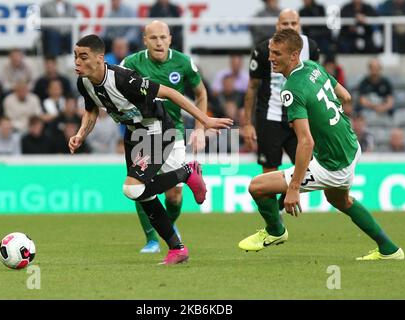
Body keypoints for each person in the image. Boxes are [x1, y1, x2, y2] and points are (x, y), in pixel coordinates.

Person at [238, 29, 404, 261]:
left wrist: (294, 188)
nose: (270, 58)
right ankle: (389, 249)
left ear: (294, 55)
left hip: (331, 164)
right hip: (350, 145)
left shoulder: (291, 90)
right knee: (340, 200)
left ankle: (275, 232)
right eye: (270, 52)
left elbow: (306, 141)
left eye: (277, 53)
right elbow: (345, 96)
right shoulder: (314, 67)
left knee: (256, 186)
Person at [70, 34, 232, 264]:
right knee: (144, 195)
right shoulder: (84, 81)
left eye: (83, 57)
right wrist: (80, 134)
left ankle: (187, 172)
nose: (77, 62)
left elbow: (169, 93)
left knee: (132, 190)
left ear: (99, 58)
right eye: (76, 56)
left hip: (157, 129)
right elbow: (92, 110)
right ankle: (177, 249)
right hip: (134, 135)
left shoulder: (124, 78)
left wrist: (204, 120)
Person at [121, 20, 209, 254]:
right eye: (153, 38)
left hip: (173, 131)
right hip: (141, 133)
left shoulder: (183, 63)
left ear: (170, 39)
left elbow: (201, 93)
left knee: (175, 193)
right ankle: (151, 239)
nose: (159, 42)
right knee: (139, 185)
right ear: (145, 40)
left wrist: (200, 128)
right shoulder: (131, 63)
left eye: (163, 37)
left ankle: (168, 227)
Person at [242, 9, 319, 209]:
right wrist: (247, 123)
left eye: (294, 23)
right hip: (270, 117)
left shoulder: (311, 47)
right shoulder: (262, 50)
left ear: (299, 24)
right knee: (269, 173)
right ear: (277, 26)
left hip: (299, 118)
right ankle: (274, 224)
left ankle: (279, 209)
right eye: (285, 24)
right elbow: (252, 87)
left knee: (307, 168)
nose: (290, 27)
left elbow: (314, 82)